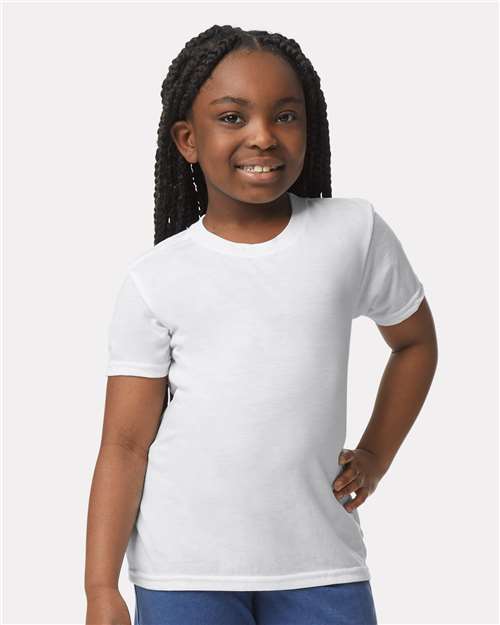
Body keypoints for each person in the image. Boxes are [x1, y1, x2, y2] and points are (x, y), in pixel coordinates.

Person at [85, 24, 438, 625]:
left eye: (285, 116)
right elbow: (124, 444)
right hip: (185, 572)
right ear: (188, 139)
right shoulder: (156, 278)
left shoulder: (353, 233)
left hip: (322, 563)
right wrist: (100, 587)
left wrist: (375, 455)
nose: (263, 136)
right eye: (232, 118)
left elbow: (415, 343)